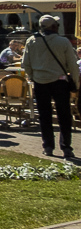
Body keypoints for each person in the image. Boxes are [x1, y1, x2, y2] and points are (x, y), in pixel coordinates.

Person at [22, 15, 78, 159]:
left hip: (40, 82)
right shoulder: (63, 41)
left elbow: (25, 64)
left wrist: (34, 76)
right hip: (59, 81)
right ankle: (66, 147)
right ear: (54, 27)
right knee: (64, 116)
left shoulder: (31, 41)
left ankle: (48, 146)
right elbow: (72, 64)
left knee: (44, 115)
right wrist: (76, 83)